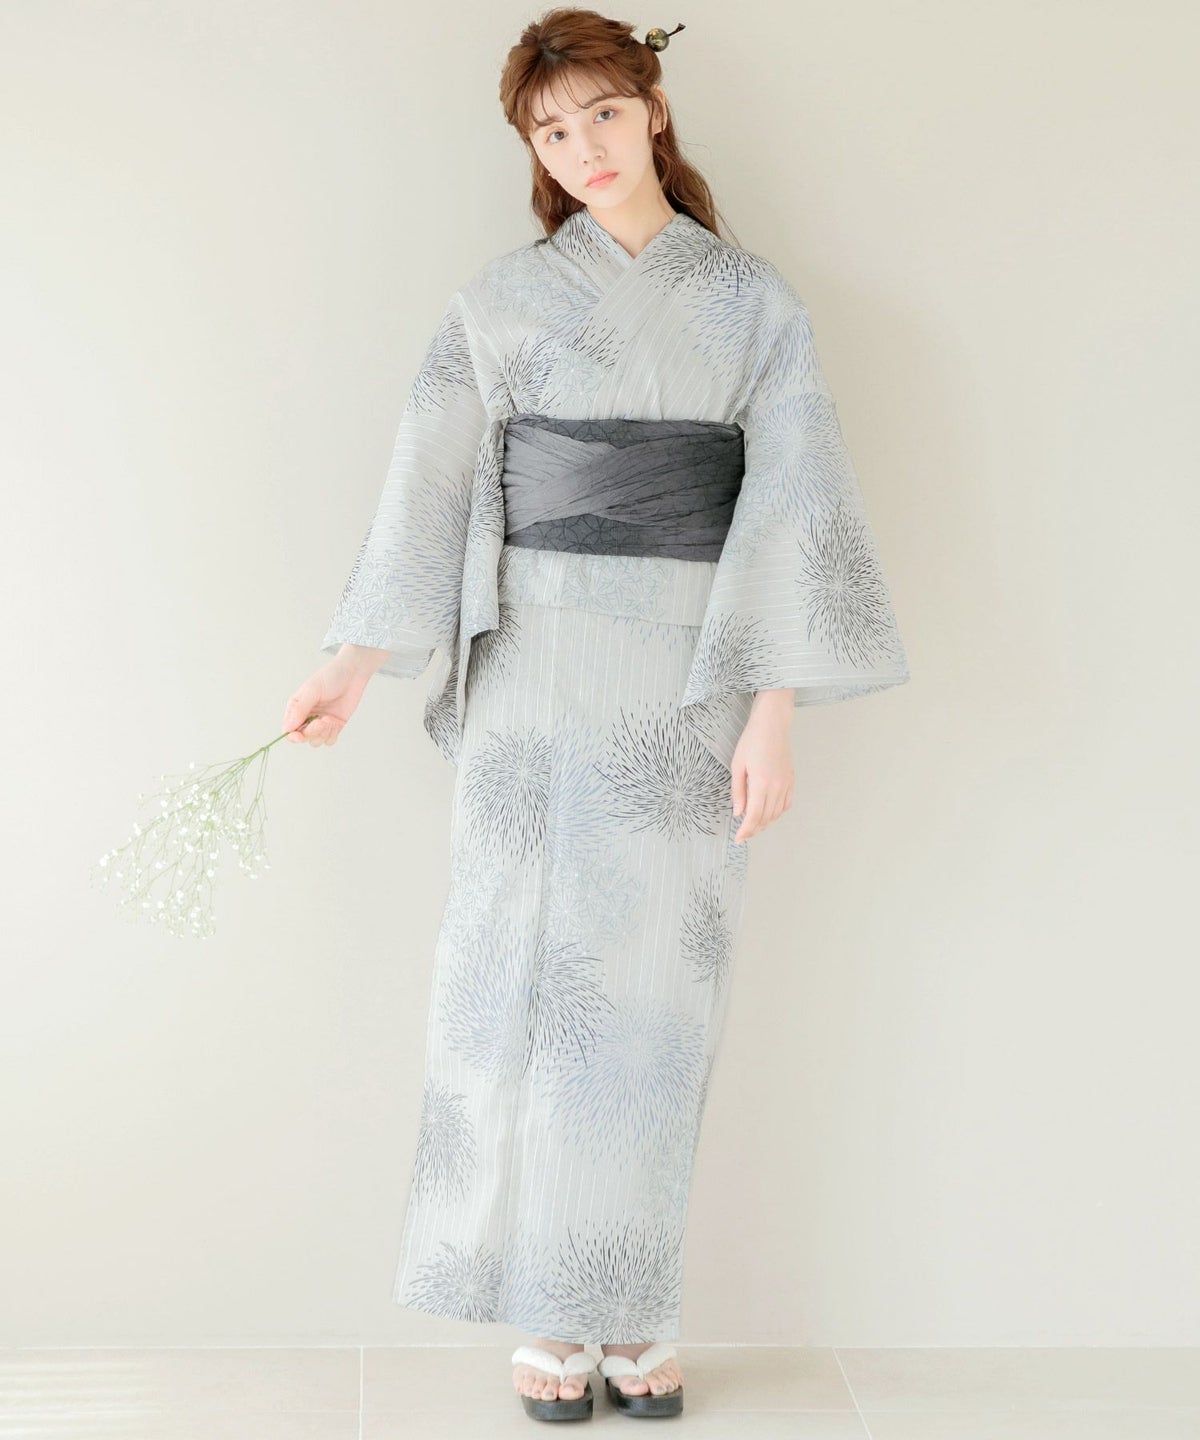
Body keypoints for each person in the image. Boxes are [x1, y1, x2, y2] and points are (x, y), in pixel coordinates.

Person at [281, 6, 910, 1423]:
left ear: (655, 110)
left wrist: (773, 711)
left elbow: (793, 508)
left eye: (604, 116)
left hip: (686, 690)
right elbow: (430, 485)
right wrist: (354, 662)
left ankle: (639, 1311)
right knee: (515, 988)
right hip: (530, 685)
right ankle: (553, 1318)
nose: (584, 150)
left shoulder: (753, 305)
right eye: (552, 132)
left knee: (654, 1009)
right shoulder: (500, 304)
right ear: (535, 149)